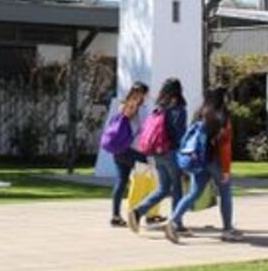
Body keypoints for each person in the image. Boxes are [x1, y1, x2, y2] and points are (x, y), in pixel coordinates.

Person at [166, 88, 241, 243]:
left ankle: (173, 222)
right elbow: (225, 146)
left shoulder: (199, 113)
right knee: (225, 193)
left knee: (193, 193)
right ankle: (227, 230)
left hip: (199, 160)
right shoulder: (222, 116)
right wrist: (226, 170)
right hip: (216, 161)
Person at [126, 78, 187, 233]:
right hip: (171, 152)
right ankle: (176, 223)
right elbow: (179, 134)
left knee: (163, 188)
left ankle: (137, 211)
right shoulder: (179, 109)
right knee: (177, 188)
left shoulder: (159, 108)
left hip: (157, 152)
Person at [102, 82, 150, 226]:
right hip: (132, 150)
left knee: (122, 181)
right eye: (145, 93)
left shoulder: (123, 104)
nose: (146, 96)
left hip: (120, 150)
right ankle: (142, 213)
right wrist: (135, 104)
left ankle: (116, 216)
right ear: (141, 93)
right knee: (147, 179)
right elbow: (134, 120)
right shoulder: (132, 105)